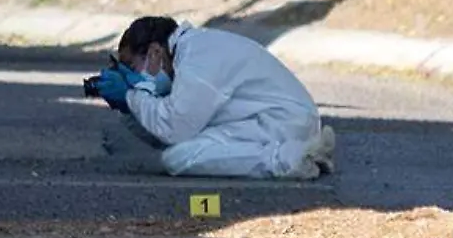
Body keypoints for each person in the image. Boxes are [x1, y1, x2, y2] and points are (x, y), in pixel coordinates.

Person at [95, 16, 336, 179]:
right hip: (272, 118)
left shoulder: (197, 59)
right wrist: (128, 110)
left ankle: (290, 159)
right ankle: (296, 152)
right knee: (181, 150)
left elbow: (175, 130)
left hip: (281, 122)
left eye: (130, 66)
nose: (130, 76)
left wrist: (131, 96)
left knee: (179, 158)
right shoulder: (190, 51)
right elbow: (166, 132)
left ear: (155, 52)